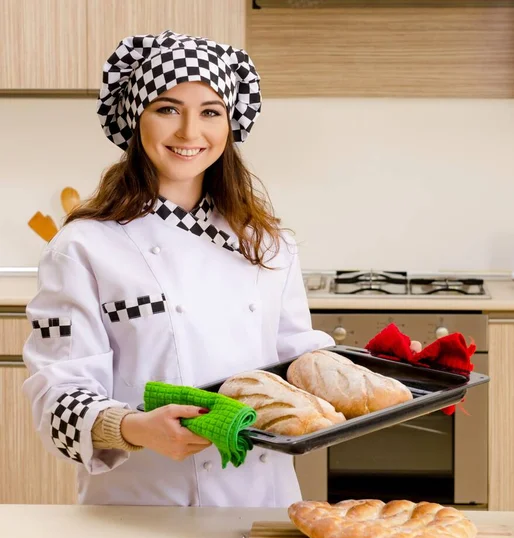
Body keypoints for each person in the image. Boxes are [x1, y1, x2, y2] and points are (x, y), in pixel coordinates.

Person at [21, 30, 336, 506]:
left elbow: (298, 359)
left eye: (211, 112)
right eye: (168, 109)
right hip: (144, 503)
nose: (191, 132)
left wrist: (403, 376)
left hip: (262, 500)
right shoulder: (83, 247)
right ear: (135, 120)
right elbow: (57, 398)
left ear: (230, 127)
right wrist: (132, 428)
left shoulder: (268, 242)